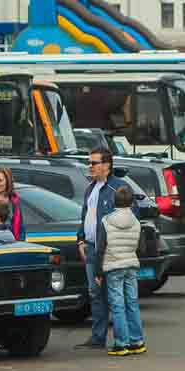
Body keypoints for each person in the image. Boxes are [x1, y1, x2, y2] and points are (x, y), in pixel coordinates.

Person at [75, 148, 128, 350]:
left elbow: (129, 218)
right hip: (90, 248)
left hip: (109, 250)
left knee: (115, 294)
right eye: (89, 163)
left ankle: (123, 339)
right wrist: (80, 240)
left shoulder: (118, 188)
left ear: (107, 165)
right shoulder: (90, 188)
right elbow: (85, 216)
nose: (90, 166)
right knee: (95, 293)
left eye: (94, 163)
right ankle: (98, 337)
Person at [95, 185, 146, 357]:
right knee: (132, 303)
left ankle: (121, 343)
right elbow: (141, 247)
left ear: (113, 201)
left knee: (117, 305)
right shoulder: (136, 222)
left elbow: (100, 248)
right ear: (131, 203)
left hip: (113, 266)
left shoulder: (106, 221)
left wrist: (97, 272)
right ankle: (137, 341)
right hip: (131, 265)